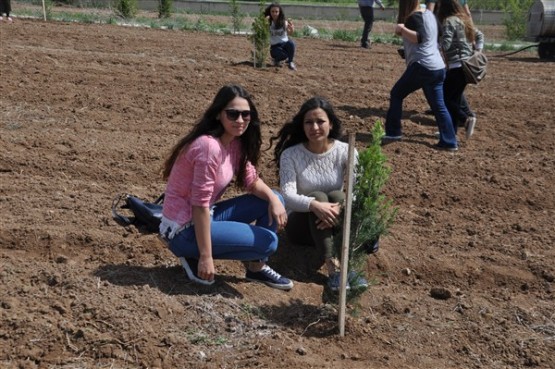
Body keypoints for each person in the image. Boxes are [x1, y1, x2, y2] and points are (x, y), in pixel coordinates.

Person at [160, 84, 293, 290]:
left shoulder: (234, 143)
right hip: (183, 229)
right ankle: (193, 253)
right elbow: (199, 204)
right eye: (233, 114)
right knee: (268, 242)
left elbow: (251, 180)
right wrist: (207, 256)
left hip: (205, 217)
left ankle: (256, 268)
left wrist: (275, 200)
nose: (240, 120)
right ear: (218, 115)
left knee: (274, 198)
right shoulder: (208, 147)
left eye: (245, 115)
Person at [270, 97, 368, 291]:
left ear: (330, 124)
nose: (314, 127)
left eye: (320, 121)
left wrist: (340, 208)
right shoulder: (291, 154)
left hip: (333, 218)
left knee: (339, 197)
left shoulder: (346, 151)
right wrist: (315, 206)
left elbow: (359, 189)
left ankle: (349, 268)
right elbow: (287, 195)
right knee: (318, 196)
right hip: (300, 225)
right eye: (309, 122)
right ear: (302, 126)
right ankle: (335, 271)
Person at [383, 0, 458, 152]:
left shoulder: (413, 16)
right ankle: (450, 141)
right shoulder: (430, 15)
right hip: (438, 66)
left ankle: (393, 133)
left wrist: (402, 29)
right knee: (439, 106)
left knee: (396, 94)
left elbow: (420, 37)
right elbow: (436, 37)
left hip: (423, 66)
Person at [438, 0, 484, 139]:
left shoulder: (448, 21)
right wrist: (478, 51)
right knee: (455, 100)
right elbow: (480, 35)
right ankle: (452, 132)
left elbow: (445, 44)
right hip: (466, 67)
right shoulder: (463, 20)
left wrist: (432, 46)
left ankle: (466, 119)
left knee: (445, 99)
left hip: (456, 66)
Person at [265, 3, 297, 71]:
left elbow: (289, 33)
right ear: (269, 12)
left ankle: (290, 62)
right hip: (275, 47)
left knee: (292, 43)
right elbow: (263, 32)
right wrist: (264, 23)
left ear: (279, 12)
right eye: (272, 11)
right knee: (284, 55)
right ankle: (275, 60)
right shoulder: (267, 22)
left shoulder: (284, 22)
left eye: (276, 11)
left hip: (284, 44)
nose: (274, 13)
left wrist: (292, 29)